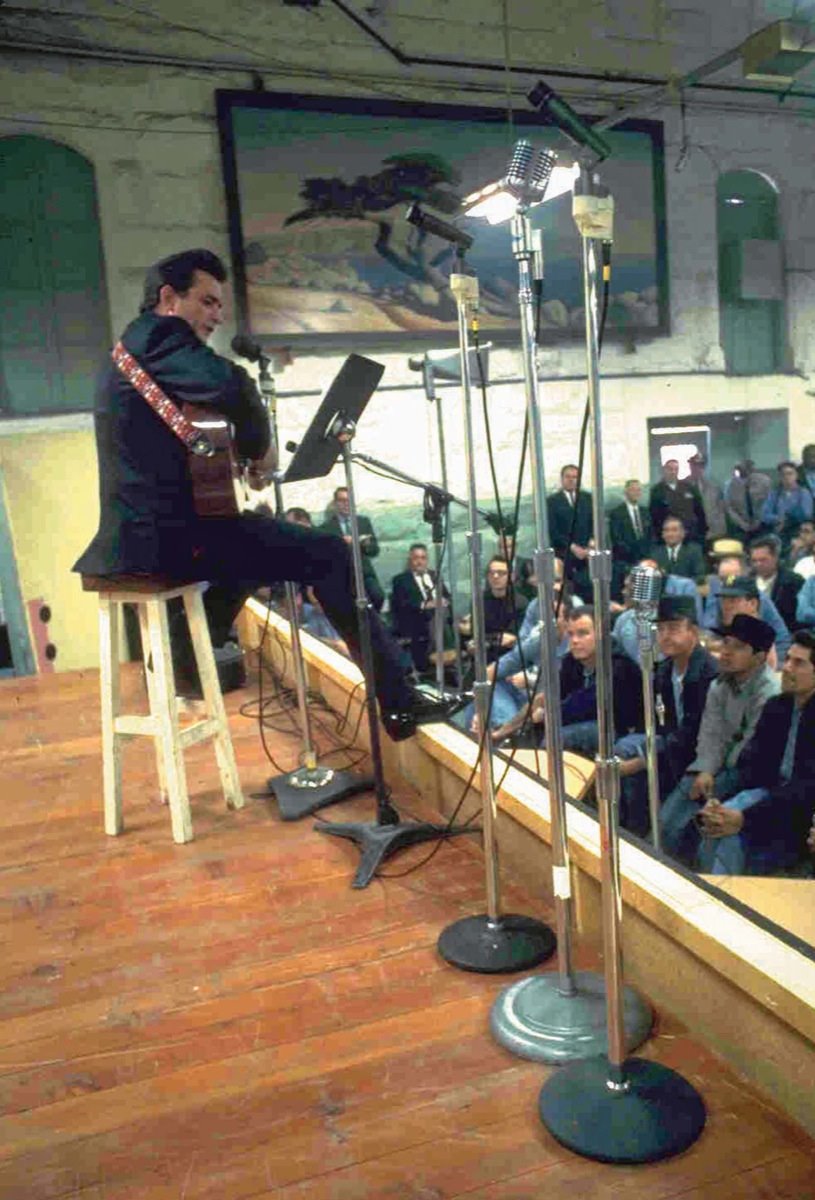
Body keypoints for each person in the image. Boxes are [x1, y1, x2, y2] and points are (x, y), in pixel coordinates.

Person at [72, 248, 451, 741]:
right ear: (168, 299)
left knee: (248, 555)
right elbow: (231, 383)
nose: (218, 315)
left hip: (145, 533)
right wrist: (259, 451)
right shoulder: (159, 336)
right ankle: (399, 703)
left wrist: (228, 457)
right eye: (206, 303)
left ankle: (185, 656)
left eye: (219, 305)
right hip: (166, 538)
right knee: (330, 554)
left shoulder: (131, 350)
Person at [659, 614, 779, 868]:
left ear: (758, 657)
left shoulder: (770, 692)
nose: (725, 653)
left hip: (749, 774)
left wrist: (714, 777)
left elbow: (751, 748)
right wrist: (705, 770)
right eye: (725, 643)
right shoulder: (719, 685)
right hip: (714, 767)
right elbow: (711, 733)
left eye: (737, 647)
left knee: (705, 828)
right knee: (666, 822)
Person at [697, 631, 815, 875]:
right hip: (768, 793)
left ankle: (721, 901)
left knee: (730, 835)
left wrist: (744, 817)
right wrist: (719, 802)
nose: (787, 668)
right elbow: (752, 768)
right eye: (788, 659)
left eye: (798, 662)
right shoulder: (778, 706)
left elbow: (805, 789)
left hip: (801, 811)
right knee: (714, 824)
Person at [614, 595, 718, 837]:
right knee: (623, 753)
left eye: (673, 628)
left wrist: (642, 761)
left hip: (699, 757)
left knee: (663, 827)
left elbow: (692, 735)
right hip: (670, 747)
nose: (665, 635)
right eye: (660, 629)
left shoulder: (709, 673)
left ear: (693, 631)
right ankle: (629, 833)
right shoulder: (663, 671)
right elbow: (657, 724)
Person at [523, 606, 643, 758]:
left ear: (601, 634)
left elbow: (586, 703)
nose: (574, 640)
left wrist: (547, 714)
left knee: (557, 738)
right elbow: (556, 697)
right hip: (583, 722)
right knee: (535, 730)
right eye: (571, 634)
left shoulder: (620, 666)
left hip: (619, 730)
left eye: (583, 634)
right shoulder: (570, 662)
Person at [702, 573, 790, 665]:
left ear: (752, 603)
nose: (726, 606)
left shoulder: (762, 641)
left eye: (733, 601)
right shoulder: (728, 628)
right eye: (723, 600)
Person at [321, 486, 384, 611]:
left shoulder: (363, 522)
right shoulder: (326, 528)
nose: (346, 504)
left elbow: (375, 550)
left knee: (378, 596)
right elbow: (327, 554)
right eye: (341, 500)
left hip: (364, 571)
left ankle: (373, 624)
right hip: (343, 573)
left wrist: (364, 544)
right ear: (335, 503)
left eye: (349, 501)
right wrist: (342, 543)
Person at [389, 543, 450, 674]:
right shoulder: (401, 580)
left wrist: (444, 601)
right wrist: (425, 605)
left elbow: (447, 596)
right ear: (410, 560)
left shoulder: (435, 576)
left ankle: (449, 658)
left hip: (441, 615)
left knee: (450, 617)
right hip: (416, 620)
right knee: (437, 618)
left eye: (423, 558)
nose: (420, 561)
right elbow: (401, 605)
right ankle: (442, 656)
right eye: (416, 558)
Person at [459, 556, 527, 667]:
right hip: (483, 660)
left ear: (512, 577)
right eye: (491, 573)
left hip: (510, 659)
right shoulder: (478, 601)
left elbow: (510, 639)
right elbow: (476, 635)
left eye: (501, 573)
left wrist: (486, 640)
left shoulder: (520, 602)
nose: (495, 576)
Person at [547, 464, 593, 602]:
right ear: (562, 479)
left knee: (588, 588)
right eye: (568, 477)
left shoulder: (587, 498)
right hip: (564, 553)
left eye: (575, 477)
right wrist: (573, 547)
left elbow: (594, 522)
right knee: (569, 591)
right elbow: (553, 531)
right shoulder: (552, 501)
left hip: (587, 553)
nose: (572, 480)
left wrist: (591, 542)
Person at [748, 534, 803, 631]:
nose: (758, 564)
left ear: (775, 558)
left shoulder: (793, 582)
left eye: (763, 560)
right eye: (754, 561)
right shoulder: (746, 582)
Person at [609, 479, 651, 601]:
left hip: (644, 559)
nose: (636, 492)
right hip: (625, 560)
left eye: (638, 490)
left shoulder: (645, 512)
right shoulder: (617, 513)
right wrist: (633, 554)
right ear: (626, 492)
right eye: (633, 489)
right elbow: (616, 539)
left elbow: (650, 535)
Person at [649, 458, 706, 545]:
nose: (673, 472)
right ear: (664, 470)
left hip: (690, 535)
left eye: (676, 469)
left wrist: (701, 532)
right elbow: (654, 517)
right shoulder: (657, 491)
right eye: (670, 469)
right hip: (668, 537)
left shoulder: (689, 488)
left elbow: (699, 511)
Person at [760, 461, 813, 551]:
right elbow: (764, 515)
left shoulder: (804, 493)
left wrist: (787, 518)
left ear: (796, 475)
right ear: (780, 477)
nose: (787, 477)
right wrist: (779, 519)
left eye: (790, 474)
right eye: (783, 475)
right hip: (777, 532)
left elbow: (806, 514)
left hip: (798, 532)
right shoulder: (774, 494)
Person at [724, 460, 772, 540]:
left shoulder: (764, 482)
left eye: (748, 468)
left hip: (762, 524)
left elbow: (769, 501)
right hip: (741, 526)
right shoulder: (730, 486)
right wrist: (743, 524)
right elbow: (729, 508)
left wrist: (759, 521)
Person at [650, 516, 706, 583]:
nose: (670, 534)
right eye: (666, 530)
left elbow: (700, 576)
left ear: (683, 533)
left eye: (674, 530)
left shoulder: (694, 550)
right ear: (663, 535)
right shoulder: (655, 554)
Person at [688, 452, 727, 541]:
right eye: (694, 465)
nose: (698, 469)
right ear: (690, 466)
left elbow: (720, 511)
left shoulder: (714, 487)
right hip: (690, 535)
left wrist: (720, 531)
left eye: (701, 466)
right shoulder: (682, 486)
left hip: (712, 534)